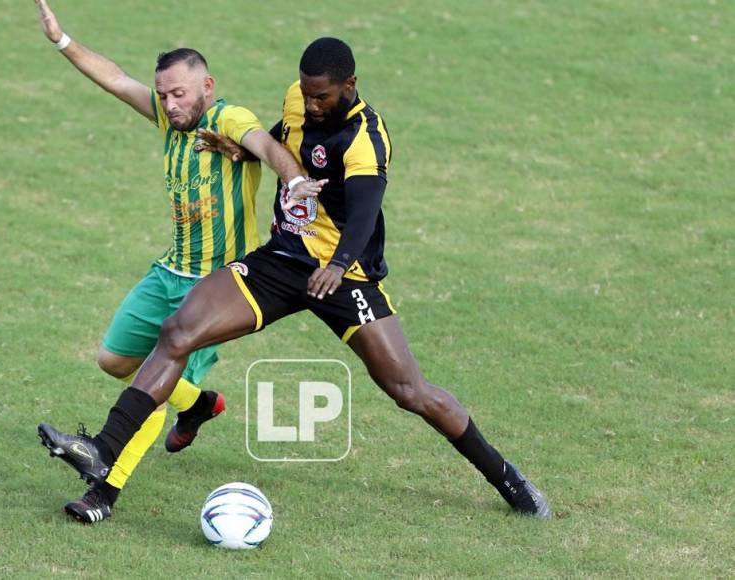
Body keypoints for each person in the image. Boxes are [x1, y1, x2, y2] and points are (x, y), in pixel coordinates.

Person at [41, 37, 552, 520]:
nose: (309, 104)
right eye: (305, 93)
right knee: (177, 332)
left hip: (345, 277)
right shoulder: (298, 99)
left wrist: (336, 265)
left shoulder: (366, 139)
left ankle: (507, 479)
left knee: (409, 390)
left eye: (320, 96)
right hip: (282, 260)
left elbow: (365, 216)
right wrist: (240, 150)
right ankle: (102, 450)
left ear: (349, 86)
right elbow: (282, 142)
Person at [32, 0, 324, 524]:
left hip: (216, 289)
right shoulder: (171, 120)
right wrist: (61, 40)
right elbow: (117, 80)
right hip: (168, 270)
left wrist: (295, 178)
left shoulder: (228, 118)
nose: (169, 102)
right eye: (163, 93)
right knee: (114, 363)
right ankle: (198, 403)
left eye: (179, 92)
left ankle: (103, 492)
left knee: (151, 382)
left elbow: (262, 142)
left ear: (207, 86)